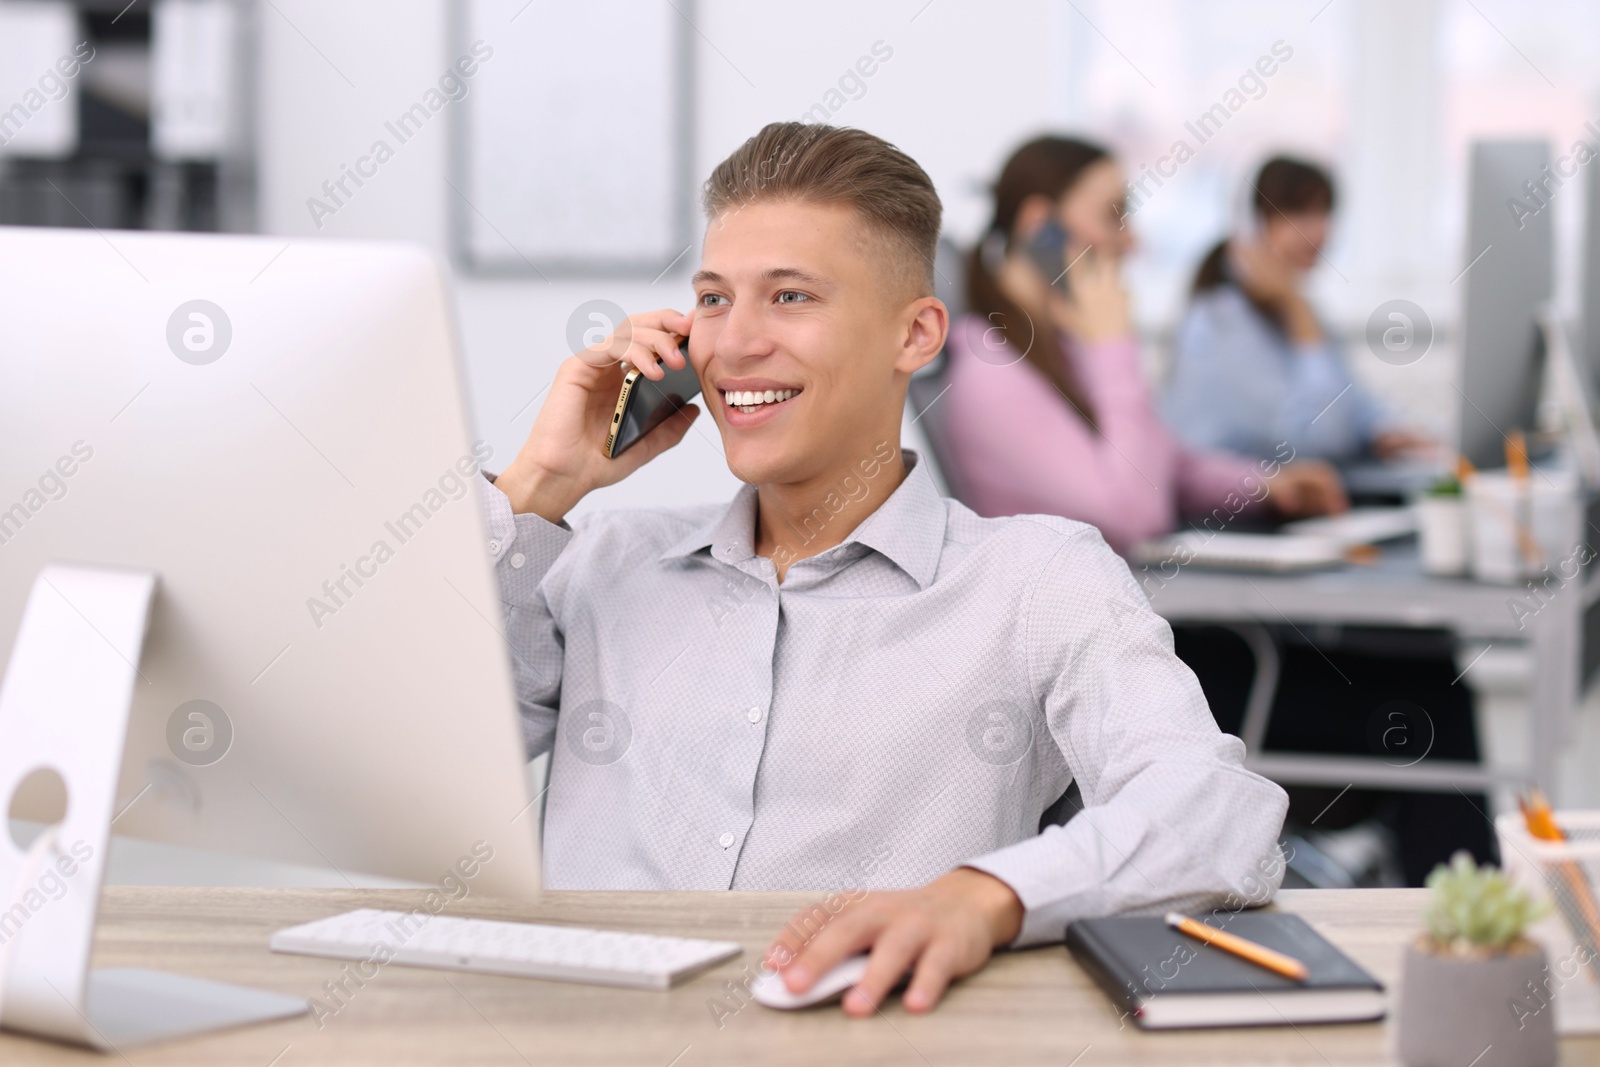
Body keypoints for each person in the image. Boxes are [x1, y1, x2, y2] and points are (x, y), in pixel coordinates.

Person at [483, 122, 1288, 1017]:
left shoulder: (1034, 580)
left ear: (916, 334)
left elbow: (1218, 814)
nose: (733, 343)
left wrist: (985, 897)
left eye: (789, 297)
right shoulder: (597, 559)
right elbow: (404, 748)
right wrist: (537, 485)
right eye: (713, 299)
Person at [939, 136, 1346, 557]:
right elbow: (1134, 521)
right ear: (1040, 224)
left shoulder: (1059, 348)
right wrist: (1113, 346)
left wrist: (1263, 485)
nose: (1132, 243)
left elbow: (1165, 465)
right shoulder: (993, 373)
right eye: (1114, 214)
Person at [1162, 156, 1430, 463]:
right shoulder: (1219, 321)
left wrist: (1382, 430)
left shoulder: (1290, 306)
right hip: (1231, 508)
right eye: (1299, 213)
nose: (1319, 231)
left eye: (1324, 213)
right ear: (1252, 226)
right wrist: (1298, 312)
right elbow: (1319, 442)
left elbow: (1349, 398)